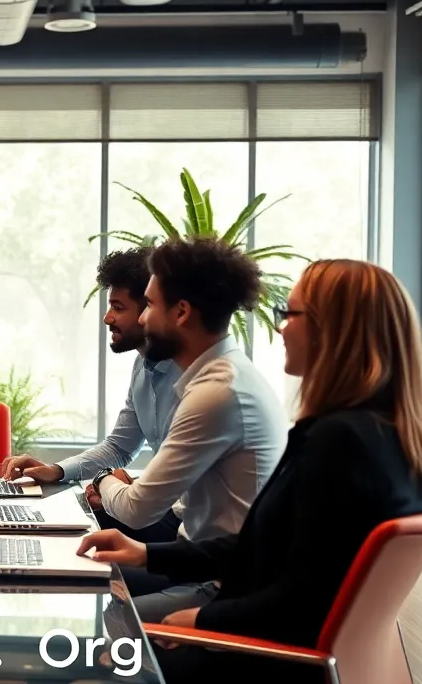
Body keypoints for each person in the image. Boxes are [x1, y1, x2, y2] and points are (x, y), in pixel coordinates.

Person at [78, 259, 422, 684]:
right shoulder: (386, 438)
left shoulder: (339, 443)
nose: (280, 329)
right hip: (301, 658)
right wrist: (148, 555)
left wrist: (201, 621)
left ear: (335, 332)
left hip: (272, 669)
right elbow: (271, 550)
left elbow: (303, 597)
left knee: (78, 655)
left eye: (290, 315)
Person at [88, 236, 288, 620]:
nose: (142, 319)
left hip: (221, 585)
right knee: (86, 585)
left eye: (148, 304)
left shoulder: (217, 392)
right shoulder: (219, 376)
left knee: (107, 618)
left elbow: (137, 509)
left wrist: (101, 482)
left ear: (181, 313)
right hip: (200, 562)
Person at [1, 246, 183, 543]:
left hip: (183, 524)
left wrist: (121, 485)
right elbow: (119, 448)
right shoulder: (143, 367)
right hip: (160, 508)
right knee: (60, 516)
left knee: (73, 527)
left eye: (119, 308)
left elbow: (182, 478)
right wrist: (56, 470)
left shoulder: (192, 379)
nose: (107, 318)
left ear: (150, 310)